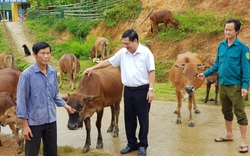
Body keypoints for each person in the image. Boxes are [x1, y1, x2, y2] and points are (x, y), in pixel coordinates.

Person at [84, 29, 155, 156]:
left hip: (142, 90)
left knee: (143, 119)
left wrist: (151, 89)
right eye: (123, 43)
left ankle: (143, 145)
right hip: (128, 90)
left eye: (127, 43)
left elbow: (151, 71)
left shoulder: (145, 53)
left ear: (135, 41)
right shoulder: (123, 52)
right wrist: (93, 68)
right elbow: (109, 62)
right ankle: (131, 143)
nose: (125, 46)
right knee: (129, 119)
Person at [198, 18, 249, 153]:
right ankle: (229, 134)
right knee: (226, 110)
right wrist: (205, 74)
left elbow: (246, 69)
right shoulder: (221, 45)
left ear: (237, 31)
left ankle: (243, 141)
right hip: (222, 84)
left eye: (230, 29)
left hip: (236, 86)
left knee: (240, 112)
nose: (227, 32)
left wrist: (245, 86)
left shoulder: (243, 48)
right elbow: (216, 65)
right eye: (226, 29)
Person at [16, 42, 76, 156]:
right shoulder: (26, 75)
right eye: (42, 53)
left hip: (50, 120)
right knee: (32, 153)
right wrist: (25, 126)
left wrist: (66, 106)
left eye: (48, 53)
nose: (46, 56)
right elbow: (22, 102)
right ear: (34, 54)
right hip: (34, 122)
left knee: (51, 152)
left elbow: (55, 95)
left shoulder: (53, 72)